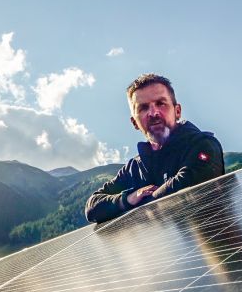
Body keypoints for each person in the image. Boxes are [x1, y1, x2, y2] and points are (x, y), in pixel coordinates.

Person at [85, 74, 225, 223]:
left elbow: (185, 188)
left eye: (161, 103)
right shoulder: (134, 168)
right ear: (134, 122)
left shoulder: (203, 145)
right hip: (160, 246)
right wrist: (128, 199)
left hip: (213, 243)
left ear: (177, 111)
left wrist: (140, 202)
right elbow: (92, 207)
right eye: (143, 108)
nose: (153, 113)